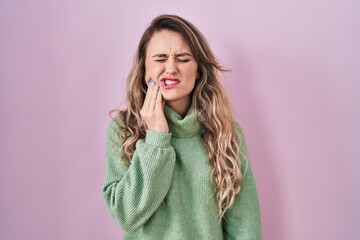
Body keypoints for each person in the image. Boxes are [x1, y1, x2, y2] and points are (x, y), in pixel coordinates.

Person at [102, 14, 261, 239]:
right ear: (144, 68)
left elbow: (244, 226)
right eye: (160, 58)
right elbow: (127, 216)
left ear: (198, 70)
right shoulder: (123, 130)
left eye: (183, 59)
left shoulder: (227, 133)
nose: (171, 68)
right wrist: (156, 137)